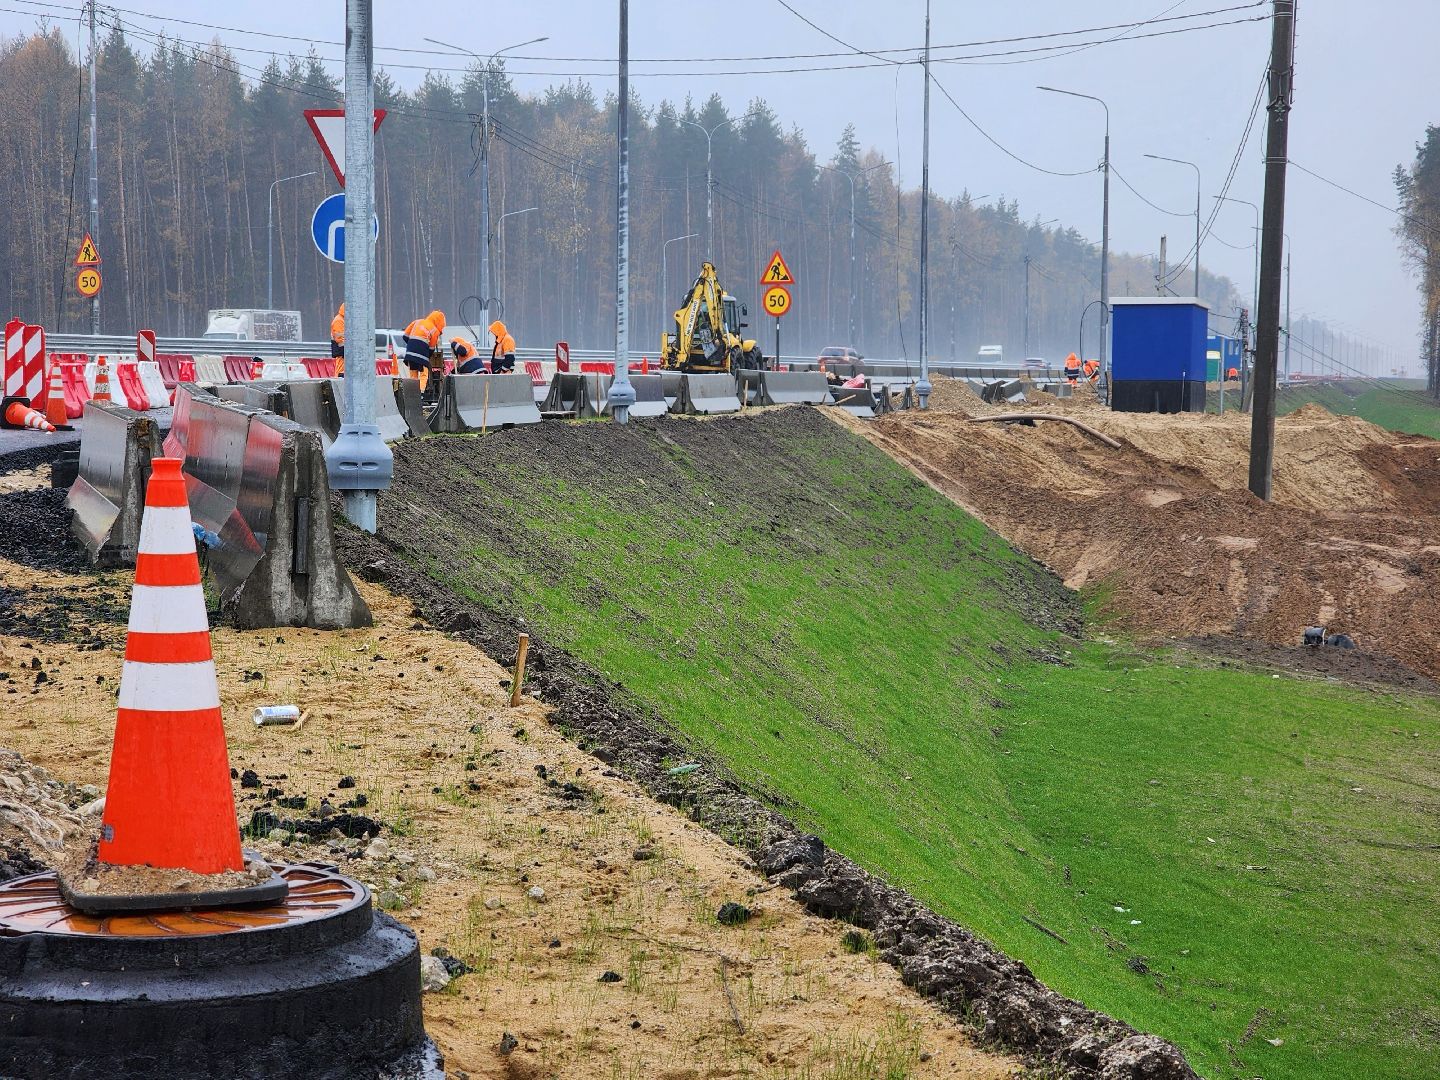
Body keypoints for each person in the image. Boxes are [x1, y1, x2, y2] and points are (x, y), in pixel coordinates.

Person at [401, 310, 445, 390]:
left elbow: (405, 336)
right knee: (424, 374)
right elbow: (431, 349)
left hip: (410, 353)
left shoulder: (417, 322)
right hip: (422, 355)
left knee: (413, 375)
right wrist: (425, 354)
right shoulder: (434, 330)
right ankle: (421, 392)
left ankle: (413, 393)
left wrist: (413, 345)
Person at [330, 302, 346, 377]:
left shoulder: (343, 320)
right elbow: (340, 340)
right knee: (341, 374)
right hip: (343, 356)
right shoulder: (339, 321)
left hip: (344, 354)